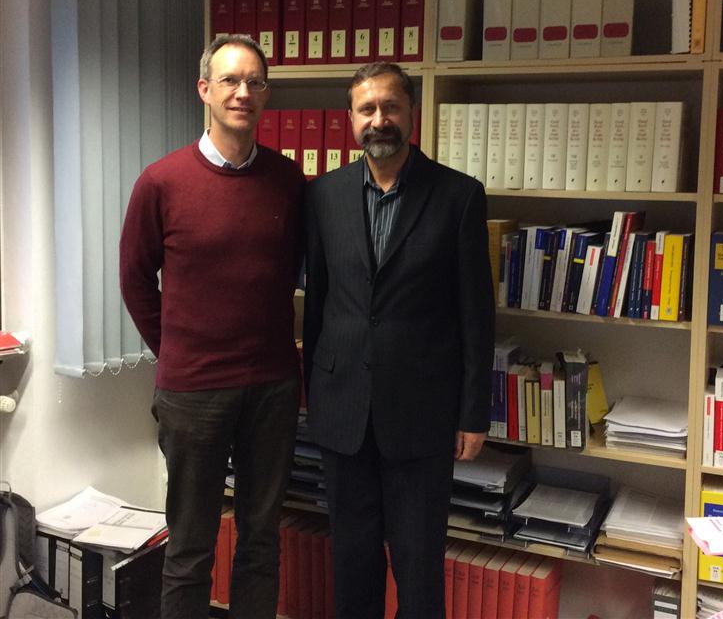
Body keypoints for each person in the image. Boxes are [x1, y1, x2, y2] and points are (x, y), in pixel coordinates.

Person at [119, 34, 304, 619]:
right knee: (190, 546)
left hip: (272, 388)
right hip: (193, 393)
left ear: (265, 94)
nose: (242, 92)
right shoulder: (161, 181)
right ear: (205, 89)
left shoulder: (288, 180)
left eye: (254, 82)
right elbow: (134, 279)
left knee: (261, 542)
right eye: (229, 80)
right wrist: (176, 350)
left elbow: (297, 270)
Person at [303, 61, 494, 619]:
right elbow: (318, 305)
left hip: (422, 416)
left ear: (412, 113)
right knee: (353, 564)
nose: (379, 119)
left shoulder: (459, 196)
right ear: (350, 119)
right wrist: (315, 393)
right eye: (367, 109)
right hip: (343, 414)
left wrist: (473, 413)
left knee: (418, 568)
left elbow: (476, 314)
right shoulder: (324, 195)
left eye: (390, 107)